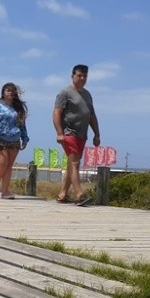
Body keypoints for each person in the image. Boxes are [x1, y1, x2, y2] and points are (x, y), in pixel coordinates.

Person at [52, 64, 101, 206]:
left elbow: (91, 115)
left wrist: (97, 134)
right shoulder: (65, 93)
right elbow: (56, 113)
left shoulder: (87, 94)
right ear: (72, 76)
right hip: (69, 132)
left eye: (85, 76)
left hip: (82, 133)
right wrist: (59, 133)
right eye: (79, 75)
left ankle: (63, 194)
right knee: (74, 163)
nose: (82, 78)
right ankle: (80, 195)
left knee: (71, 164)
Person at [0, 82, 29, 199]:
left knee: (9, 165)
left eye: (12, 90)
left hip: (14, 139)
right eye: (8, 90)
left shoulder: (18, 108)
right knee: (2, 162)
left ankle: (5, 190)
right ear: (3, 92)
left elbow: (22, 124)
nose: (10, 92)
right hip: (0, 138)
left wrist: (24, 138)